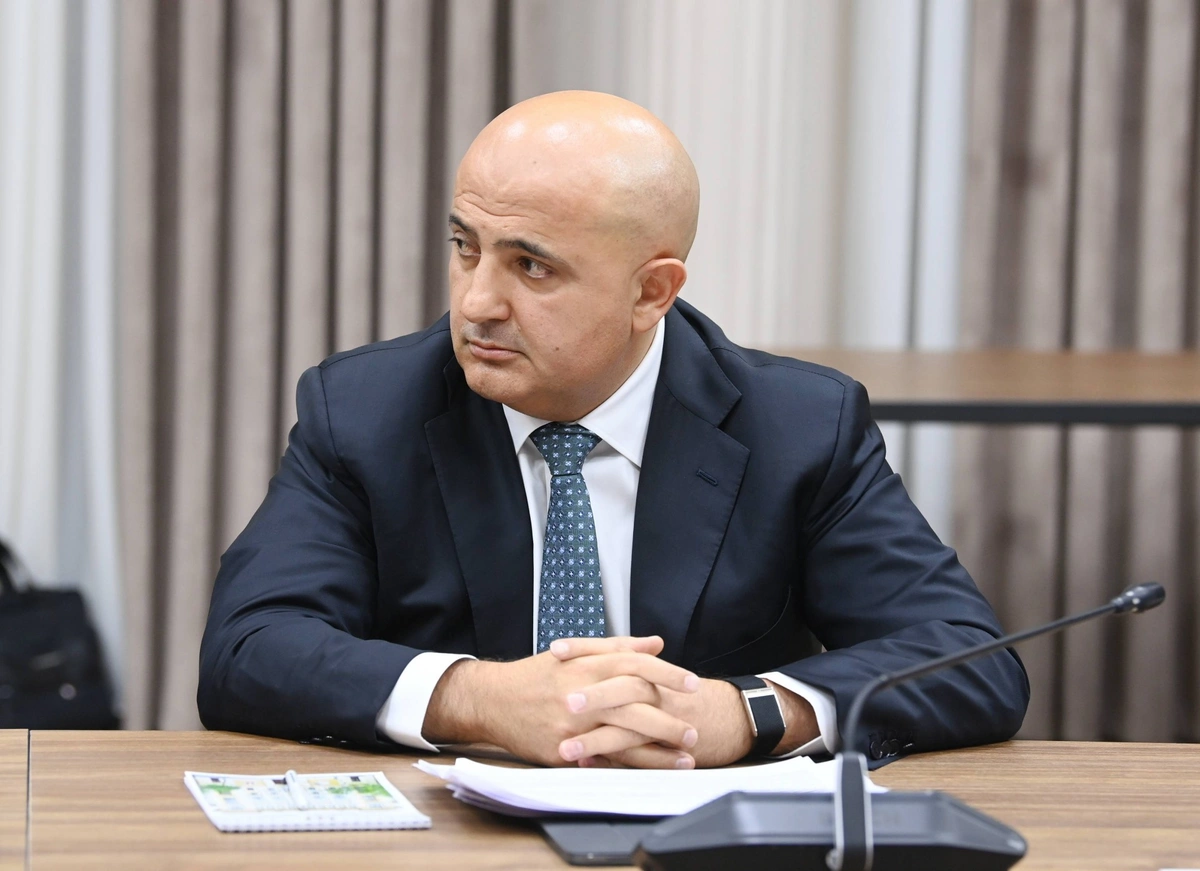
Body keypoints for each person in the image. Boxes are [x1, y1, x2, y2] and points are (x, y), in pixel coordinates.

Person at [198, 91, 1028, 770]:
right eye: (465, 246)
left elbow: (969, 656)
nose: (477, 302)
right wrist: (479, 698)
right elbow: (249, 646)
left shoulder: (798, 427)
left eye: (531, 265)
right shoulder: (366, 409)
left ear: (651, 292)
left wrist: (745, 713)